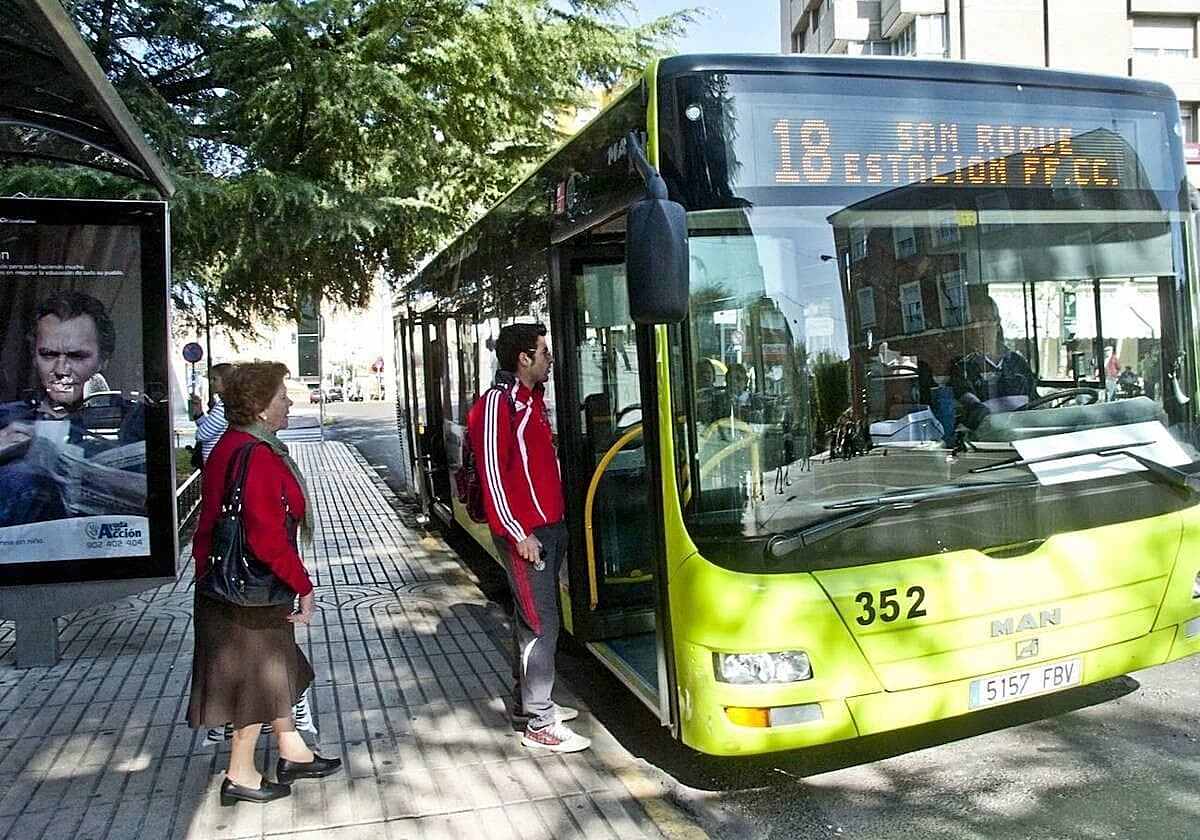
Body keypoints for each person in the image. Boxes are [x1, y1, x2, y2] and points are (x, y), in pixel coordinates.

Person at [186, 361, 341, 805]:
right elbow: (265, 535)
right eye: (282, 396)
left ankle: (292, 750)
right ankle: (240, 774)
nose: (290, 401)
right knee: (257, 679)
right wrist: (303, 586)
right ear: (259, 408)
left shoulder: (238, 443)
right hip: (248, 592)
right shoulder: (254, 454)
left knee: (279, 670)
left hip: (232, 586)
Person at [466, 323, 589, 753]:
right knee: (542, 624)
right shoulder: (497, 405)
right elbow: (493, 475)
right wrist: (519, 533)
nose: (549, 358)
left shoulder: (529, 402)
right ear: (523, 358)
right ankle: (540, 722)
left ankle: (530, 702)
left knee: (533, 620)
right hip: (528, 535)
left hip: (547, 528)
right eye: (543, 351)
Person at [0, 291, 140, 526]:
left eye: (76, 356)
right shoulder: (6, 416)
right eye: (48, 354)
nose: (61, 369)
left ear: (104, 359)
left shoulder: (135, 420)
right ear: (34, 357)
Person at [949, 298, 1038, 429]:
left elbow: (1034, 400)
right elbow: (967, 398)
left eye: (985, 320)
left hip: (1022, 432)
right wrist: (976, 407)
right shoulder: (963, 366)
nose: (979, 328)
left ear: (997, 323)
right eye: (974, 322)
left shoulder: (1017, 362)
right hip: (985, 437)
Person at [195, 362, 234, 461]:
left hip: (217, 461)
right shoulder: (226, 404)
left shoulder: (224, 407)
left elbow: (201, 435)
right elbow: (210, 427)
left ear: (226, 381)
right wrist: (199, 413)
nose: (211, 382)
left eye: (215, 379)